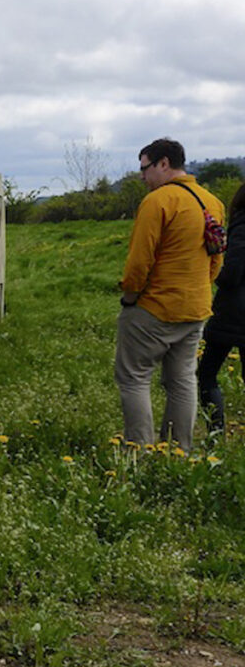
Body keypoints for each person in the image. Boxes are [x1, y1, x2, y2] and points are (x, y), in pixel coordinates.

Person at [115, 138, 225, 452]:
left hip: (155, 308)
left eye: (145, 168)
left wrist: (131, 297)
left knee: (134, 378)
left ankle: (139, 452)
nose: (142, 176)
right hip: (196, 308)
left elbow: (139, 261)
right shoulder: (211, 201)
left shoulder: (158, 201)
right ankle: (178, 451)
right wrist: (199, 287)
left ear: (164, 164)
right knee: (182, 381)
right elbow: (216, 256)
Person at [198, 180, 245, 433]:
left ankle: (215, 435)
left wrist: (216, 275)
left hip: (233, 313)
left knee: (207, 374)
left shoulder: (242, 225)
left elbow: (234, 271)